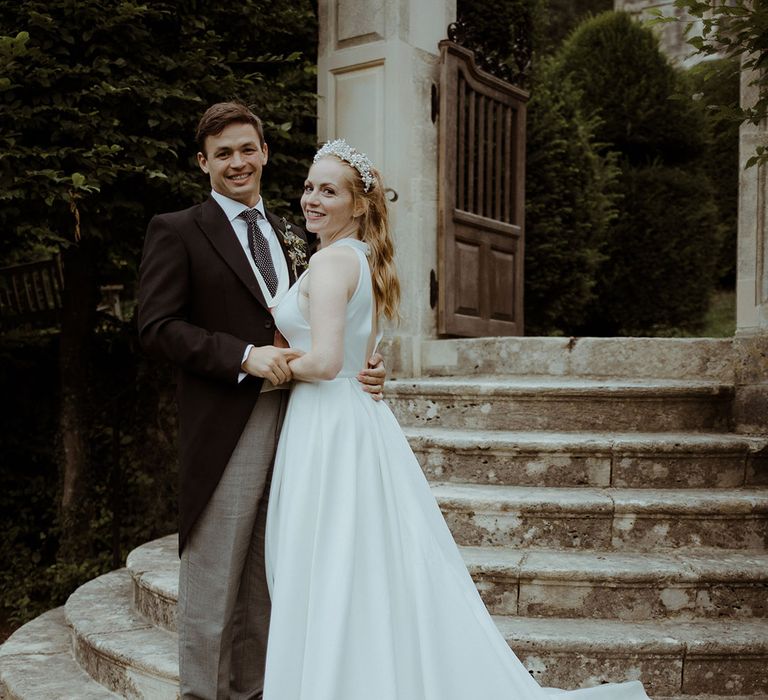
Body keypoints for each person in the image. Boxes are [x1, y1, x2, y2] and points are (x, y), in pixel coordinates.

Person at [262, 139, 652, 700]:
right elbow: (355, 354)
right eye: (307, 186)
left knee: (327, 563)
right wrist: (353, 367)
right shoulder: (363, 260)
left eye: (328, 190)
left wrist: (265, 362)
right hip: (353, 420)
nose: (311, 199)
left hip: (327, 426)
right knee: (356, 564)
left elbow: (324, 361)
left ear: (359, 205)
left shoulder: (328, 262)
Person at [137, 104, 385, 700]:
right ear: (203, 163)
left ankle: (251, 692)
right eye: (223, 153)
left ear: (266, 153)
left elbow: (329, 319)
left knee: (268, 572)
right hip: (230, 420)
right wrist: (241, 355)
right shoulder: (178, 229)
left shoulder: (296, 232)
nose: (238, 162)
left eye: (247, 149)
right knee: (215, 572)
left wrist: (365, 365)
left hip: (304, 417)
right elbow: (156, 326)